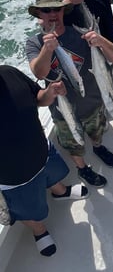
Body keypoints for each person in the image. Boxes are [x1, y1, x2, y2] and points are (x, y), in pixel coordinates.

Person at [26, 0, 113, 188]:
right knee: (73, 143)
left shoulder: (80, 33)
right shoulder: (34, 43)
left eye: (57, 9)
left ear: (63, 11)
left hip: (94, 101)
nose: (53, 14)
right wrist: (48, 49)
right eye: (46, 10)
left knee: (97, 131)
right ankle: (82, 168)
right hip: (63, 110)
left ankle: (98, 147)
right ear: (39, 15)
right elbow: (39, 73)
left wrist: (101, 41)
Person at [0, 64, 89, 257]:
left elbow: (38, 98)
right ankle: (38, 230)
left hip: (42, 151)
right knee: (28, 208)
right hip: (14, 177)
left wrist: (50, 92)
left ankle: (61, 191)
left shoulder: (8, 72)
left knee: (53, 175)